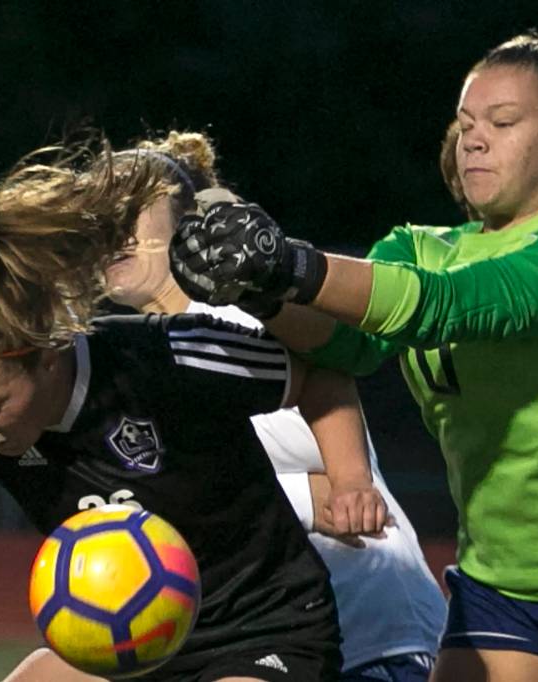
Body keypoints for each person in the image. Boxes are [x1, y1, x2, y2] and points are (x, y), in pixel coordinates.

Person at [169, 21, 538, 682]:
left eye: (503, 121)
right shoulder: (417, 247)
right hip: (502, 589)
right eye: (466, 124)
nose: (475, 139)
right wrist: (262, 290)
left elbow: (447, 305)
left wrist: (289, 264)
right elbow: (346, 345)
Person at [0, 143, 390, 682]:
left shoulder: (164, 357)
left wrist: (350, 480)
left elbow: (318, 375)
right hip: (119, 650)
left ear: (49, 358)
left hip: (261, 630)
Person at [101, 131, 447, 681]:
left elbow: (328, 378)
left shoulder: (246, 317)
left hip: (369, 640)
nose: (109, 232)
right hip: (252, 644)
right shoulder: (124, 354)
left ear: (187, 221)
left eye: (129, 213)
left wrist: (343, 483)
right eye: (97, 218)